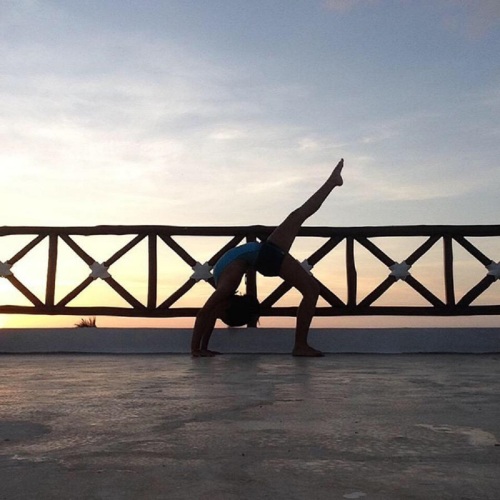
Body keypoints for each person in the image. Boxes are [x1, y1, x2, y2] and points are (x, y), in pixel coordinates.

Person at [191, 159, 345, 357]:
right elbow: (206, 313)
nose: (216, 314)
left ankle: (332, 182)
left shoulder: (223, 289)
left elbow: (208, 313)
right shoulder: (227, 286)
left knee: (298, 215)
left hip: (265, 252)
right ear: (228, 307)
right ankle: (300, 345)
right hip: (266, 256)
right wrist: (196, 349)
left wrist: (200, 348)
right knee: (311, 289)